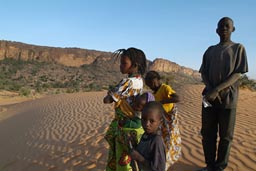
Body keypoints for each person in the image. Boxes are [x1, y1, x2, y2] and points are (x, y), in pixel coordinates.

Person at [199, 17, 248, 171]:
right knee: (208, 134)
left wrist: (217, 89)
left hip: (228, 99)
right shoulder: (210, 50)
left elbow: (237, 74)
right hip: (209, 98)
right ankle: (209, 165)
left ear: (233, 29)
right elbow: (204, 73)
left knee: (226, 136)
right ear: (216, 30)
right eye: (221, 26)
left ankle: (220, 167)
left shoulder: (238, 48)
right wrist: (210, 89)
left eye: (227, 26)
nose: (224, 28)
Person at [103, 47, 147, 171]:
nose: (121, 66)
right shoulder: (140, 81)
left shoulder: (127, 82)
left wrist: (110, 93)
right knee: (132, 161)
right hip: (136, 126)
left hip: (125, 127)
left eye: (124, 63)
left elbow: (107, 100)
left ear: (135, 65)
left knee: (123, 161)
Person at [145, 70, 181, 170]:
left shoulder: (165, 88)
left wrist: (161, 102)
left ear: (158, 80)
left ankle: (164, 164)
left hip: (169, 122)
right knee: (161, 144)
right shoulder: (153, 94)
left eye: (153, 83)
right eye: (149, 85)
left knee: (168, 143)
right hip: (161, 123)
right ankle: (160, 162)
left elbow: (177, 98)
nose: (152, 86)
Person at [129, 101, 166, 171]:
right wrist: (134, 144)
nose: (146, 124)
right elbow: (143, 152)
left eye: (151, 121)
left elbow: (159, 169)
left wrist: (139, 158)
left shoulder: (157, 141)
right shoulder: (146, 134)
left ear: (160, 122)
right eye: (143, 119)